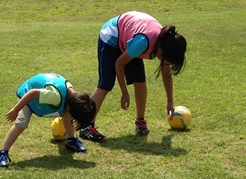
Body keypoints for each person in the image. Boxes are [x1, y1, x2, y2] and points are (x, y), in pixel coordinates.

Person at [79, 11, 187, 142]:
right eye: (167, 59)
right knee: (105, 83)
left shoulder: (165, 42)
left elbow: (166, 73)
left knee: (140, 80)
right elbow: (119, 64)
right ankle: (86, 126)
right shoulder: (143, 43)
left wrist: (170, 101)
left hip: (130, 38)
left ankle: (140, 120)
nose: (166, 63)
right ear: (160, 50)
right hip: (112, 37)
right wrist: (124, 92)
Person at [0, 73, 97, 167]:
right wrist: (16, 110)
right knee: (21, 123)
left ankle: (70, 140)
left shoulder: (74, 97)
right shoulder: (54, 96)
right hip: (27, 93)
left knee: (67, 116)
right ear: (70, 106)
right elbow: (32, 93)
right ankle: (2, 153)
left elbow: (69, 109)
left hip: (43, 92)